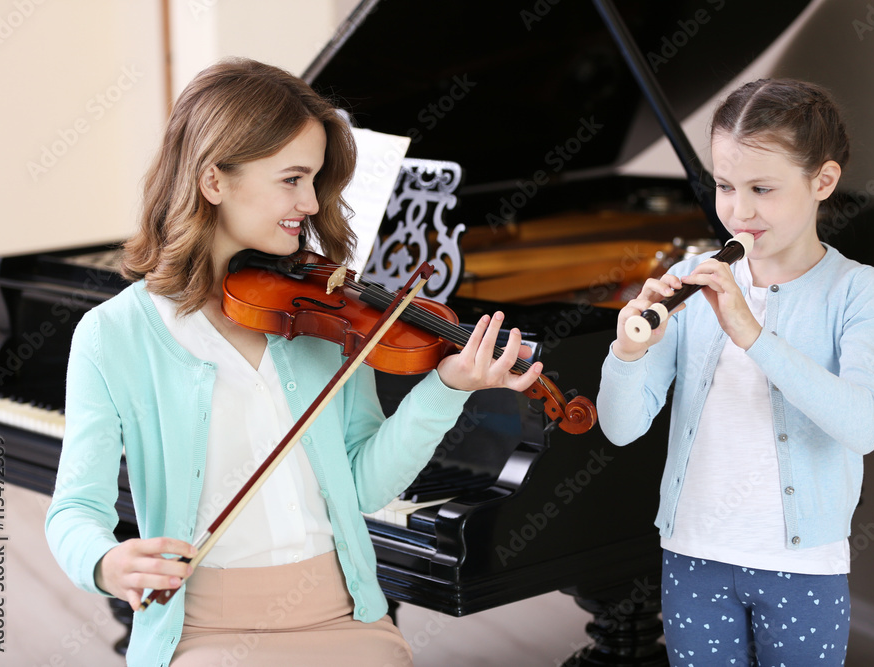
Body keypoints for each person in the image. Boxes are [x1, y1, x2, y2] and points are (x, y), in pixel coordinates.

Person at [45, 57, 542, 667]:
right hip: (203, 629)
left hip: (342, 613)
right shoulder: (114, 336)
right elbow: (75, 509)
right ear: (214, 181)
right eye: (292, 179)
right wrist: (104, 561)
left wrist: (448, 387)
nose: (310, 202)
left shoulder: (325, 315)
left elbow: (364, 483)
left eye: (316, 181)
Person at [597, 78, 874, 666]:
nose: (738, 210)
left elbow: (864, 426)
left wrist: (753, 335)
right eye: (725, 186)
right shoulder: (691, 279)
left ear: (823, 182)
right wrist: (628, 355)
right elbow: (620, 428)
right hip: (693, 555)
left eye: (762, 188)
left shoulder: (857, 290)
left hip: (802, 567)